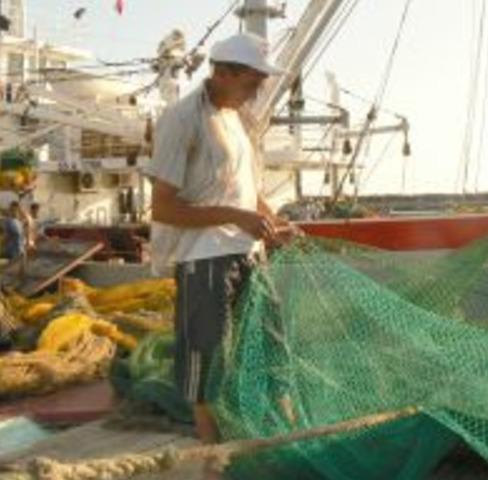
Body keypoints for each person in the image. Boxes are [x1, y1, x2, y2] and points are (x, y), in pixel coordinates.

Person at [145, 32, 296, 456]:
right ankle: (213, 456)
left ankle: (287, 435)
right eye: (253, 80)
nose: (259, 89)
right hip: (205, 260)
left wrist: (269, 220)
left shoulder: (236, 117)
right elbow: (163, 209)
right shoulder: (183, 118)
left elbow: (243, 190)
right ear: (224, 72)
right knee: (208, 362)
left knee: (271, 348)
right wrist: (236, 218)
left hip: (249, 254)